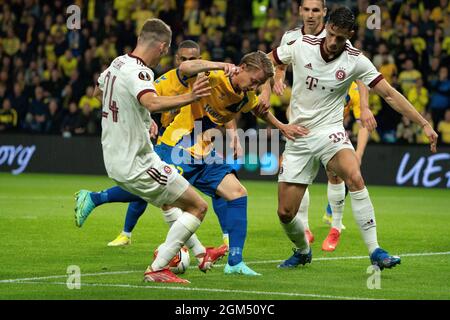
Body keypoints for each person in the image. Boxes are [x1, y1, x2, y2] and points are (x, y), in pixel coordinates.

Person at [266, 7, 437, 270]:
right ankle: (302, 251)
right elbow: (268, 61)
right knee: (285, 213)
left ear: (351, 35)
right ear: (327, 28)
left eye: (341, 38)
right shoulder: (300, 44)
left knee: (354, 175)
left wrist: (424, 123)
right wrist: (254, 82)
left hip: (330, 132)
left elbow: (389, 94)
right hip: (298, 135)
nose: (334, 42)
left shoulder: (357, 60)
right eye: (332, 35)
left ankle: (375, 250)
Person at [78, 18, 213, 284]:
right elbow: (151, 101)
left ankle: (199, 252)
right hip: (137, 162)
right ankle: (159, 265)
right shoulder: (141, 72)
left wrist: (140, 116)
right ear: (162, 47)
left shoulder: (116, 64)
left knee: (168, 203)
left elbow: (97, 93)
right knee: (198, 206)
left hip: (115, 160)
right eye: (165, 50)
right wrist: (191, 97)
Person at [152, 51, 305, 276]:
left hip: (205, 154)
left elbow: (259, 110)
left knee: (237, 193)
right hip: (177, 147)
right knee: (146, 192)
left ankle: (235, 262)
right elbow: (185, 69)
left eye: (260, 83)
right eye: (254, 80)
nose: (255, 86)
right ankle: (98, 198)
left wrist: (282, 126)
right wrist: (220, 63)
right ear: (241, 67)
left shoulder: (245, 95)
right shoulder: (215, 75)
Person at [260, 0, 374, 247]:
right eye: (306, 10)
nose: (311, 15)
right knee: (296, 179)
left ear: (324, 13)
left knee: (337, 174)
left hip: (328, 119)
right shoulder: (291, 37)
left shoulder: (336, 34)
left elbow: (362, 71)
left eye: (316, 10)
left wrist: (364, 106)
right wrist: (274, 83)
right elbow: (277, 64)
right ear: (300, 11)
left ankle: (336, 226)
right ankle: (306, 229)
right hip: (299, 116)